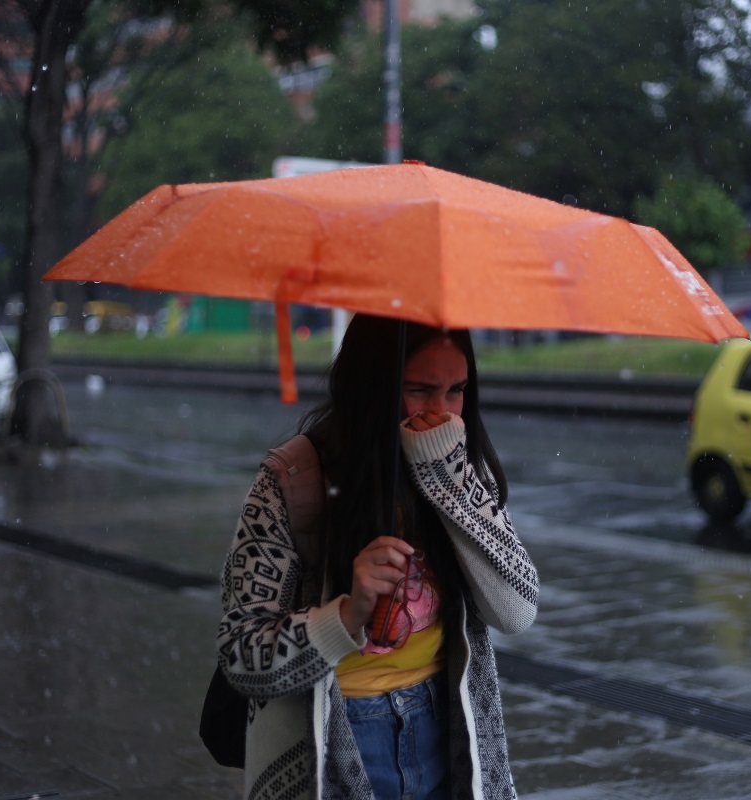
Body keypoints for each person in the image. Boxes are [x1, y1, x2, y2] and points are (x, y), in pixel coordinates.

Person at [218, 313, 539, 800]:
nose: (443, 412)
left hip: (445, 721)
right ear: (372, 384)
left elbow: (516, 611)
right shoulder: (292, 479)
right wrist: (346, 614)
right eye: (419, 389)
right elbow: (242, 654)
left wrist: (448, 481)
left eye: (456, 390)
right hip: (338, 730)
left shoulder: (459, 464)